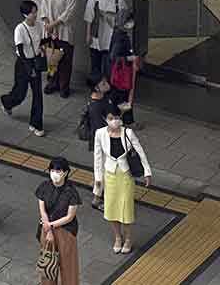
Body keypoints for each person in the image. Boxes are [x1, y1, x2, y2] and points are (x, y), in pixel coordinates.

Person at [93, 108, 151, 254]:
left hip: (125, 175)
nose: (115, 121)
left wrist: (147, 172)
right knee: (111, 207)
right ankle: (118, 238)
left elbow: (140, 152)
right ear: (105, 118)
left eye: (117, 117)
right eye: (111, 118)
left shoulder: (128, 133)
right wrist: (98, 179)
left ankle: (128, 239)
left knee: (126, 208)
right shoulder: (100, 134)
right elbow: (98, 157)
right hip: (110, 175)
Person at [0, 0, 45, 137]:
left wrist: (44, 46)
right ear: (25, 14)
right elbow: (20, 50)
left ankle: (36, 123)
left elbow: (40, 41)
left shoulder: (38, 25)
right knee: (20, 93)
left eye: (35, 11)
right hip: (23, 64)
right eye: (32, 12)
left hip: (35, 62)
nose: (35, 14)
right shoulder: (20, 29)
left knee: (38, 94)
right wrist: (29, 69)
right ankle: (7, 101)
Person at [37, 156, 82, 285]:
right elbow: (42, 210)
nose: (54, 174)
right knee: (47, 262)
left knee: (68, 265)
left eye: (58, 171)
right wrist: (48, 228)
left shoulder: (71, 192)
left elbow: (70, 216)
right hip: (46, 229)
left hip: (65, 231)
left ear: (66, 173)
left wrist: (50, 226)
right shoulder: (44, 187)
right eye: (52, 170)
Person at [81, 77, 119, 209]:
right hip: (104, 141)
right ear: (96, 88)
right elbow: (107, 123)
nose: (107, 84)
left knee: (100, 167)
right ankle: (97, 199)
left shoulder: (96, 101)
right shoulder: (99, 105)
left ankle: (98, 187)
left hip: (98, 139)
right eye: (102, 83)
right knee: (102, 170)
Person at [40, 0, 77, 98]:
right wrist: (47, 24)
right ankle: (52, 83)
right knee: (52, 58)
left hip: (64, 30)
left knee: (66, 60)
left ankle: (64, 86)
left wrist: (53, 25)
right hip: (49, 30)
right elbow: (43, 6)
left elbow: (69, 12)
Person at [84, 0, 127, 85]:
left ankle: (108, 87)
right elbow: (89, 18)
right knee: (95, 64)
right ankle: (95, 88)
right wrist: (88, 35)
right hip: (96, 39)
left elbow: (125, 18)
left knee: (110, 66)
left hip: (112, 40)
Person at [107, 8, 140, 126]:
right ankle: (127, 121)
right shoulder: (121, 37)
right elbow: (114, 56)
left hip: (115, 72)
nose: (131, 23)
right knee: (124, 97)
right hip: (121, 73)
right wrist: (130, 58)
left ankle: (119, 119)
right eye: (128, 21)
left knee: (118, 97)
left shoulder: (117, 33)